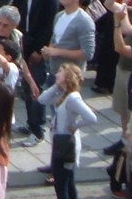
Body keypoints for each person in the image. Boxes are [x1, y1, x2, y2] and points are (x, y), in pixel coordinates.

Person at [15, 0, 60, 144]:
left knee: (37, 87)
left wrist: (40, 50)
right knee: (27, 86)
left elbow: (49, 26)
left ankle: (38, 129)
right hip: (24, 43)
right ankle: (30, 122)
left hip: (36, 47)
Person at [41, 62, 97, 199]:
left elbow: (91, 118)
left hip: (67, 145)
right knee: (68, 182)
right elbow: (42, 99)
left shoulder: (72, 98)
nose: (56, 74)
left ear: (68, 77)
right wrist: (56, 85)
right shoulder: (63, 94)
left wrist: (75, 126)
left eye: (60, 71)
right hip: (60, 142)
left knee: (61, 185)